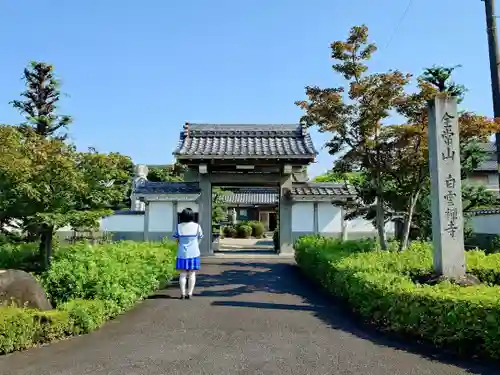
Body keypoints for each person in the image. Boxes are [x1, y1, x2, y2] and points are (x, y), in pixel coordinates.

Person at [173, 208, 203, 299]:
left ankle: (182, 294)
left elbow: (176, 239)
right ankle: (189, 293)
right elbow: (200, 237)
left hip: (182, 253)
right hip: (194, 253)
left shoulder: (179, 226)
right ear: (192, 216)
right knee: (192, 274)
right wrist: (196, 244)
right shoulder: (197, 226)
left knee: (182, 274)